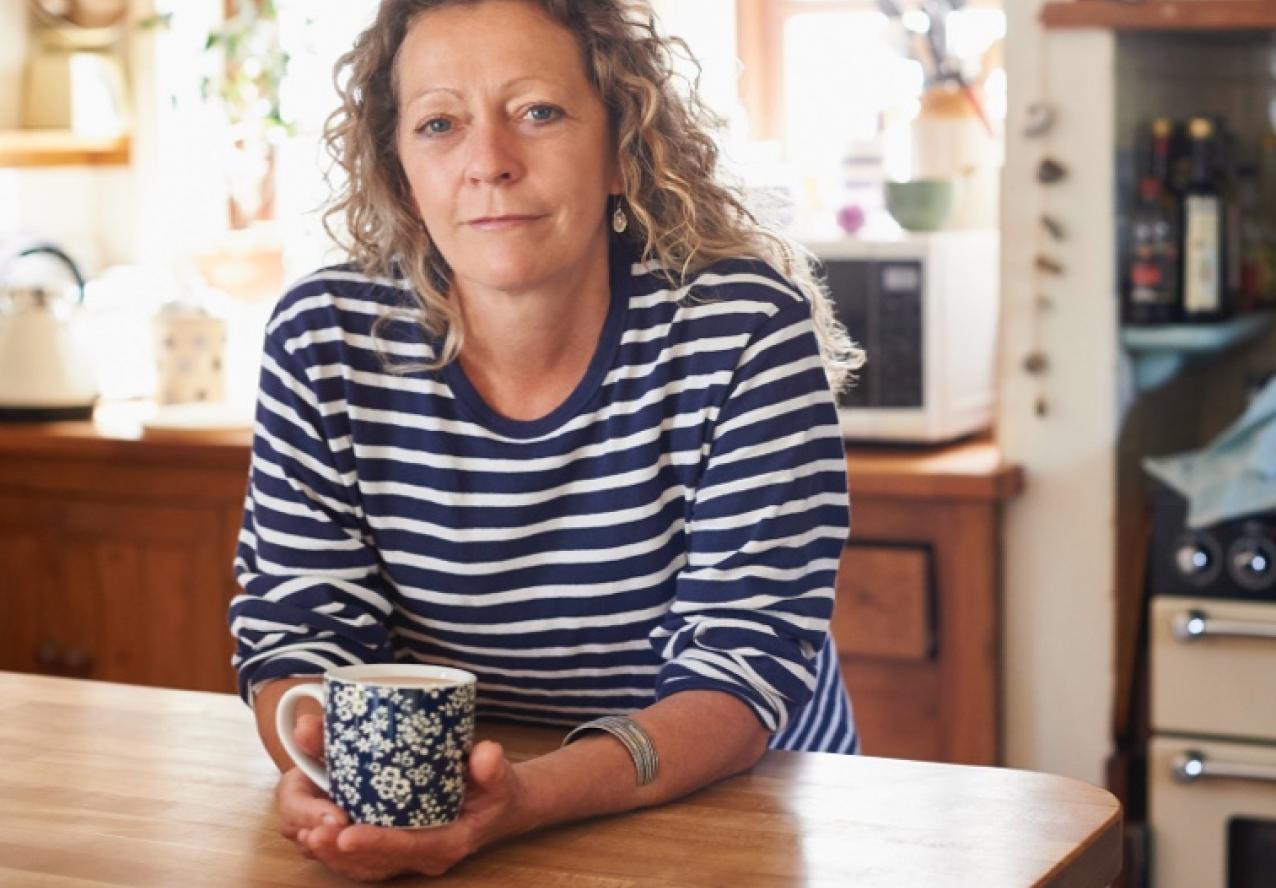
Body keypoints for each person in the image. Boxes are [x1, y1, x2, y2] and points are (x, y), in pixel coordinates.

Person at [226, 0, 864, 880]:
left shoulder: (742, 331)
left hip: (736, 809)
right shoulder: (322, 338)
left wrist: (522, 800)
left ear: (619, 147)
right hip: (458, 818)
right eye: (440, 124)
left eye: (538, 112)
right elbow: (299, 626)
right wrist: (319, 766)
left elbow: (737, 667)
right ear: (400, 166)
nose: (488, 163)